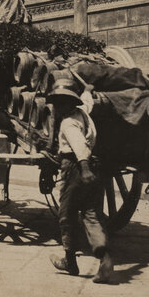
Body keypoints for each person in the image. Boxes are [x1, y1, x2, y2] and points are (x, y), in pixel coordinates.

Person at [47, 77, 114, 284]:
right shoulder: (83, 111)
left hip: (75, 169)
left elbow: (78, 145)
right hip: (95, 168)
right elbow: (88, 100)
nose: (56, 106)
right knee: (92, 215)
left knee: (66, 214)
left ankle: (69, 261)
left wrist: (83, 168)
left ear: (67, 103)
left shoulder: (68, 122)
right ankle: (105, 258)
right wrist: (87, 89)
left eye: (60, 102)